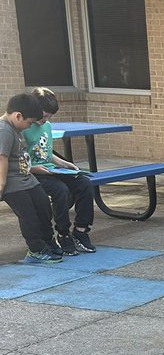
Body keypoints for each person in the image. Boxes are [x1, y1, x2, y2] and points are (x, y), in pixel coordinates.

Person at [22, 87, 96, 254]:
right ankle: (63, 234)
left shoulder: (47, 126)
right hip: (33, 173)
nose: (45, 119)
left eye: (49, 116)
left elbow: (46, 153)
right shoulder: (25, 126)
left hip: (50, 170)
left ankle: (81, 231)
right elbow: (20, 159)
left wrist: (65, 164)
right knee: (61, 190)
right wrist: (35, 169)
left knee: (84, 183)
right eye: (44, 115)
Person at [0, 92, 62, 265]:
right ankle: (36, 250)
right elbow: (2, 158)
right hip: (13, 182)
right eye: (29, 123)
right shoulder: (3, 130)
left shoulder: (15, 127)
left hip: (26, 178)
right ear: (18, 116)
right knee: (29, 215)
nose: (29, 127)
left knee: (43, 206)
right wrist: (1, 185)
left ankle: (48, 241)